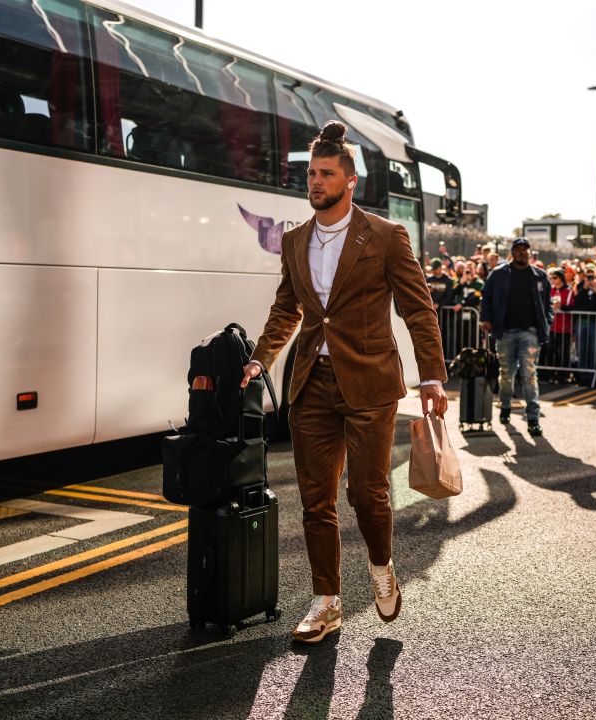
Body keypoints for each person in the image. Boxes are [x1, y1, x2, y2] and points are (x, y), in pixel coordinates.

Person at [241, 121, 448, 643]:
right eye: (311, 172)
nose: (315, 182)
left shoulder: (384, 236)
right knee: (315, 499)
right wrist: (262, 359)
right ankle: (326, 601)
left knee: (368, 492)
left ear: (350, 181)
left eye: (326, 174)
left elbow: (419, 312)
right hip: (312, 383)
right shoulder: (294, 241)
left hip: (371, 382)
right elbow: (286, 309)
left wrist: (432, 377)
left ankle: (381, 567)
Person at [480, 237, 553, 436]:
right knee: (506, 374)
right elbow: (485, 297)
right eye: (518, 249)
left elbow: (548, 305)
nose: (522, 253)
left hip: (530, 333)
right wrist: (486, 318)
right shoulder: (498, 274)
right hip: (505, 332)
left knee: (529, 375)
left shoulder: (540, 276)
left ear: (529, 253)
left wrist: (546, 323)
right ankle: (505, 406)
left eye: (525, 250)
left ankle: (533, 419)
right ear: (512, 253)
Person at [572, 265, 596, 375]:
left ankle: (592, 375)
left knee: (593, 350)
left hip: (594, 322)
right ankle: (582, 375)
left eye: (592, 274)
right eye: (588, 274)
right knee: (581, 350)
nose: (590, 277)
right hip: (581, 322)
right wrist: (584, 289)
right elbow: (577, 303)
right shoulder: (580, 286)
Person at [546, 268, 574, 379]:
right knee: (550, 351)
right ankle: (551, 375)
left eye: (555, 277)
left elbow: (571, 306)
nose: (552, 279)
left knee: (563, 353)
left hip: (565, 328)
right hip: (552, 327)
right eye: (551, 277)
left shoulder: (569, 291)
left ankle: (563, 376)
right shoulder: (550, 290)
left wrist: (561, 306)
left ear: (561, 278)